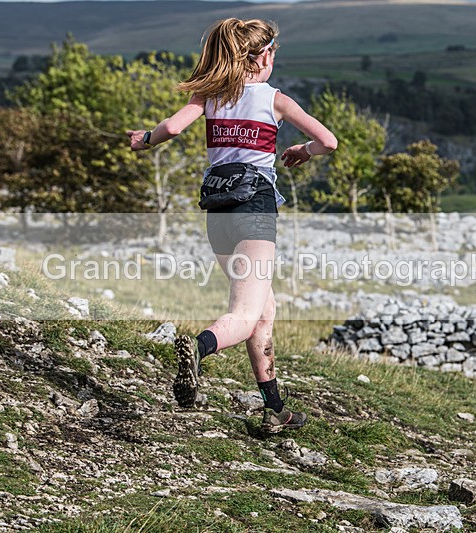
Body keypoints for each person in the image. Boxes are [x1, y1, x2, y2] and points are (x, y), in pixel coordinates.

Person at [126, 18, 337, 433]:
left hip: (218, 210)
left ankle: (275, 408)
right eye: (274, 54)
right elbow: (328, 141)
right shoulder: (275, 99)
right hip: (255, 207)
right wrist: (302, 150)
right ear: (264, 57)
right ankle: (200, 347)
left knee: (264, 310)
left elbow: (170, 128)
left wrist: (143, 140)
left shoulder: (210, 95)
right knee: (243, 313)